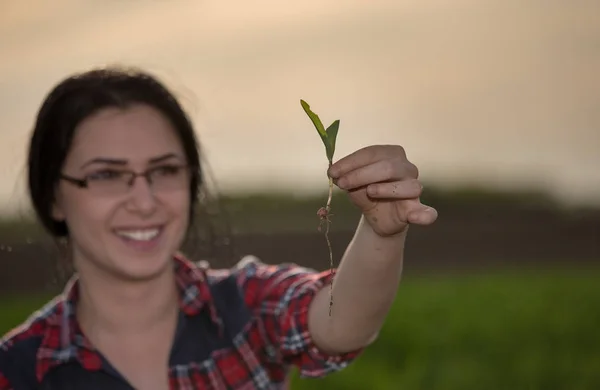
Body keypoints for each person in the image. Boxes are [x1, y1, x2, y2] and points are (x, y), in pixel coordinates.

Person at [0, 66, 438, 390]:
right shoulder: (20, 369)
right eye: (107, 175)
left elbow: (339, 327)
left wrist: (382, 233)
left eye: (165, 170)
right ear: (54, 194)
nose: (144, 200)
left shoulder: (245, 307)